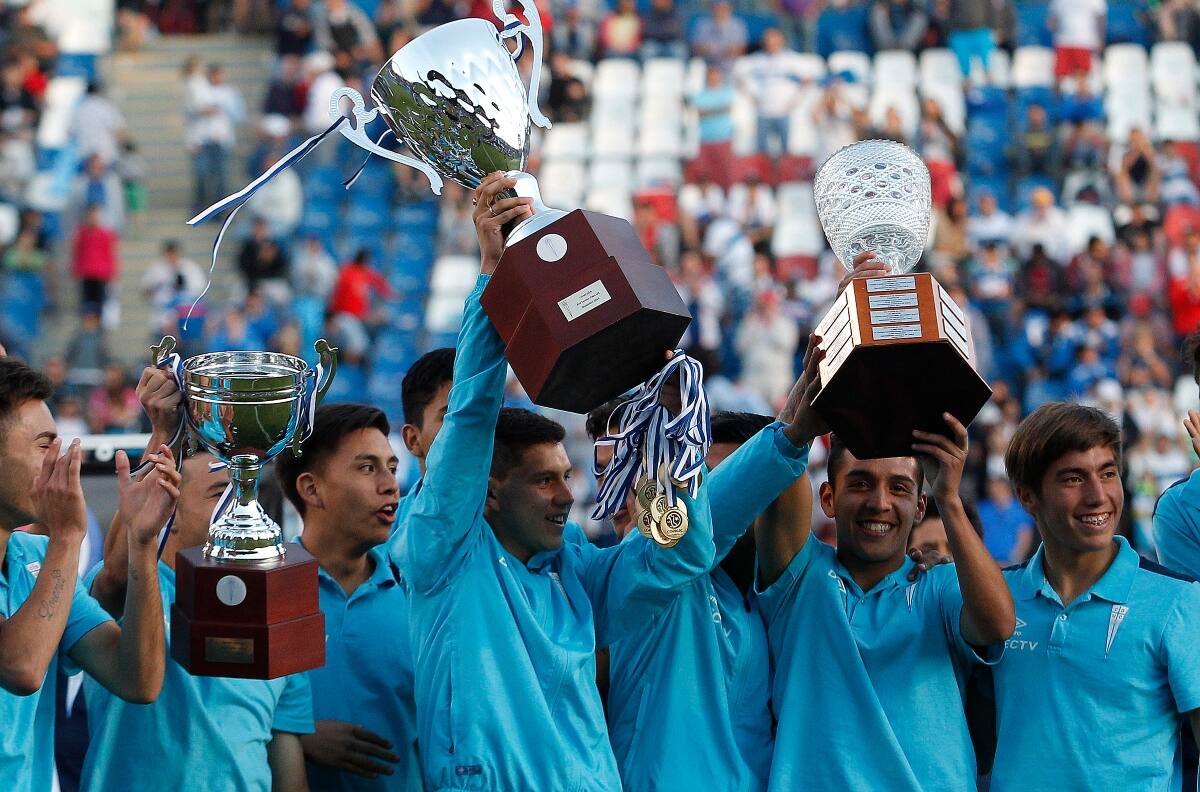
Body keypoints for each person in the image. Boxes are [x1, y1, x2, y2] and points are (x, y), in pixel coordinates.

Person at [397, 172, 718, 790]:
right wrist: (495, 282)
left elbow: (674, 554)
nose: (569, 496)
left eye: (566, 476)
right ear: (489, 489)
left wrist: (659, 448)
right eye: (545, 482)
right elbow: (469, 421)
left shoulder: (576, 570)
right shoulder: (440, 549)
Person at [754, 368, 1016, 787]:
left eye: (898, 488)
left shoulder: (939, 584)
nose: (879, 503)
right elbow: (779, 472)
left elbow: (997, 624)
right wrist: (798, 419)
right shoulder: (801, 577)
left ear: (919, 506)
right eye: (860, 483)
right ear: (829, 498)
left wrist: (949, 496)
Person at [82, 366, 313, 792]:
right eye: (217, 493)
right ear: (167, 502)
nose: (238, 504)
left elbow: (284, 757)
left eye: (243, 491)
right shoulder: (136, 586)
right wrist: (164, 434)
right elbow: (118, 570)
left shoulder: (279, 606)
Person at [585, 397, 812, 790]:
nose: (612, 489)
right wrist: (794, 428)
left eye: (627, 468)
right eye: (604, 471)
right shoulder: (636, 574)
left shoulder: (778, 595)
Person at [990, 403, 1200, 791]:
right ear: (1027, 497)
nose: (1098, 496)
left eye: (1108, 473)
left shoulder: (1178, 601)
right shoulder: (995, 599)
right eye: (1073, 479)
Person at [0, 358, 171, 791]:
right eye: (44, 444)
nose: (59, 461)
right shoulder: (53, 549)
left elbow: (137, 679)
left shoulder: (35, 557)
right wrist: (68, 536)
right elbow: (20, 667)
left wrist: (143, 542)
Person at [275, 404, 422, 790]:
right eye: (368, 467)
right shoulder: (261, 594)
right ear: (311, 489)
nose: (391, 484)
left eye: (391, 467)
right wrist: (294, 734)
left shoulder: (419, 593)